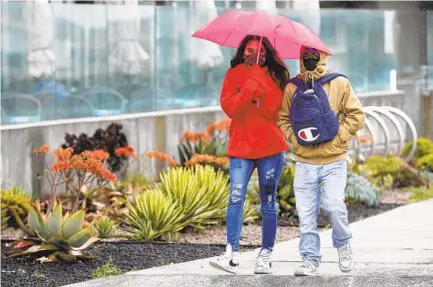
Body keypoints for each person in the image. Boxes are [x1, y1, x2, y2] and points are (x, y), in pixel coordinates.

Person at [278, 46, 365, 276]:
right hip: (305, 162)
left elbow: (356, 115)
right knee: (306, 215)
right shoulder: (292, 87)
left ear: (323, 57)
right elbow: (283, 118)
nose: (310, 60)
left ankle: (343, 243)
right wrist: (294, 141)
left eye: (314, 57)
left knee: (335, 205)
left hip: (334, 161)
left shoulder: (339, 83)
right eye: (305, 57)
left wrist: (340, 137)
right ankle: (309, 259)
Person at [209, 35, 290, 274]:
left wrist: (262, 90)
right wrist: (247, 90)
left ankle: (265, 254)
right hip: (241, 148)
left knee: (268, 203)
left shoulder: (276, 76)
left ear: (267, 53)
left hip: (270, 149)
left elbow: (273, 114)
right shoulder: (232, 75)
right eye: (249, 49)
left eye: (259, 50)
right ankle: (231, 253)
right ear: (242, 51)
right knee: (235, 197)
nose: (253, 54)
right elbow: (231, 109)